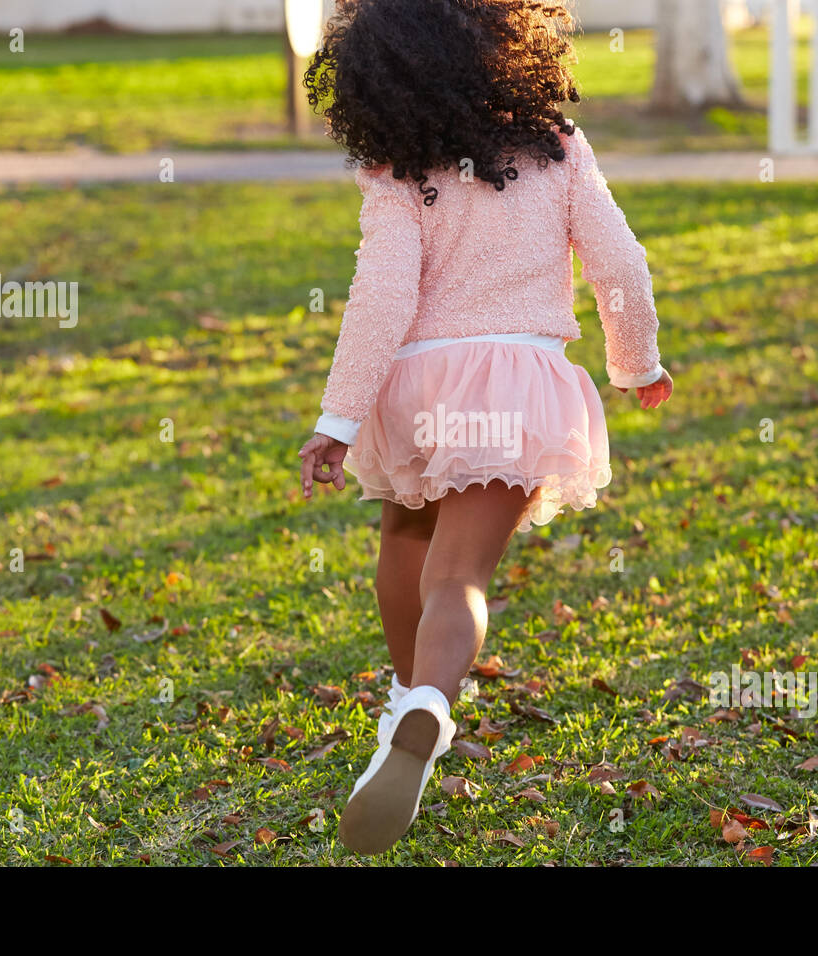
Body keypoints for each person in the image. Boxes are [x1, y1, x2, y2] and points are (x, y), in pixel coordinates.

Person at [296, 0, 672, 854]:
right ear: (511, 43)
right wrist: (635, 364)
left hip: (418, 386)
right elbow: (619, 260)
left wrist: (338, 416)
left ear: (380, 70)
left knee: (404, 535)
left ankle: (406, 702)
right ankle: (431, 702)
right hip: (516, 381)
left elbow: (381, 297)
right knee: (460, 575)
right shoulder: (558, 147)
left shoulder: (397, 168)